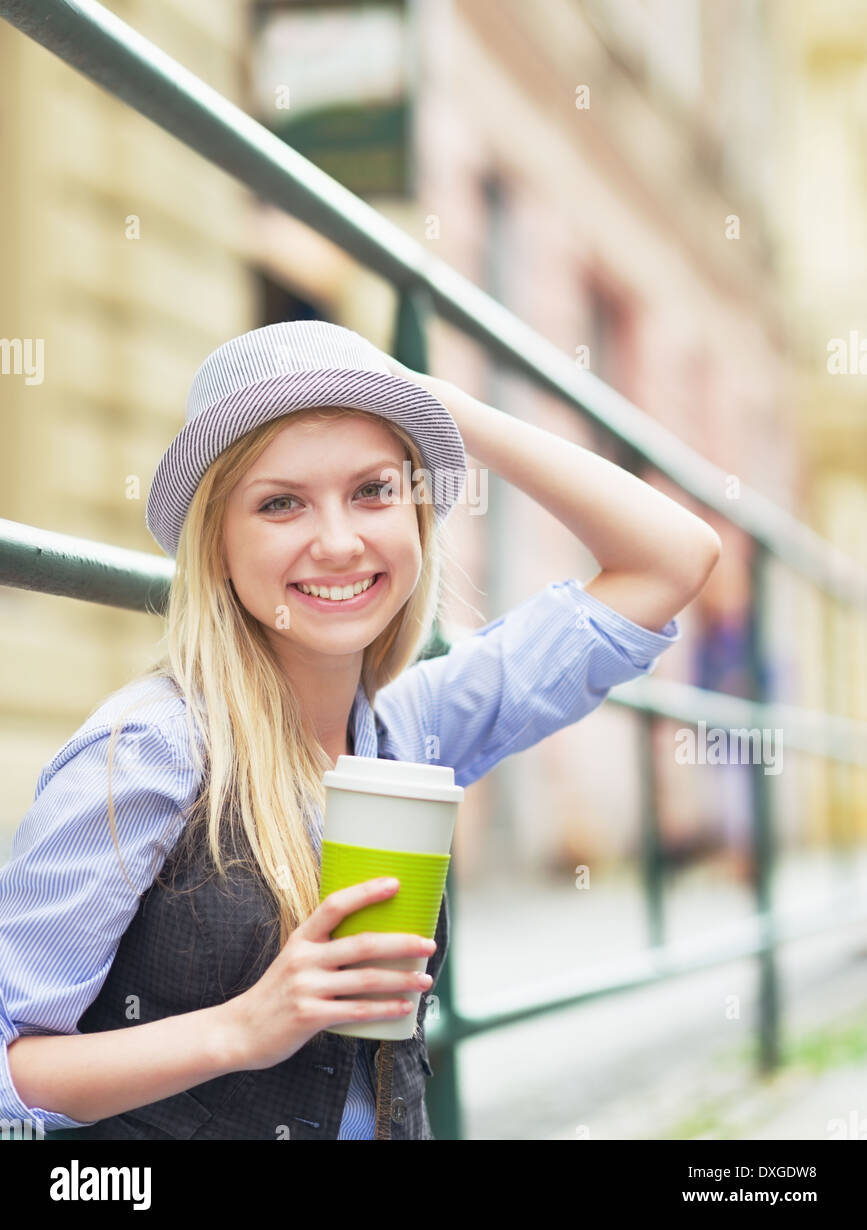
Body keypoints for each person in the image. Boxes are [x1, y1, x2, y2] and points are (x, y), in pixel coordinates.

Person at [0, 319, 720, 1140]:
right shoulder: (150, 752)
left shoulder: (414, 728)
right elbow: (8, 1063)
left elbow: (671, 558)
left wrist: (440, 409)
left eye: (375, 491)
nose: (339, 543)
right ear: (218, 550)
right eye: (279, 504)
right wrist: (241, 1029)